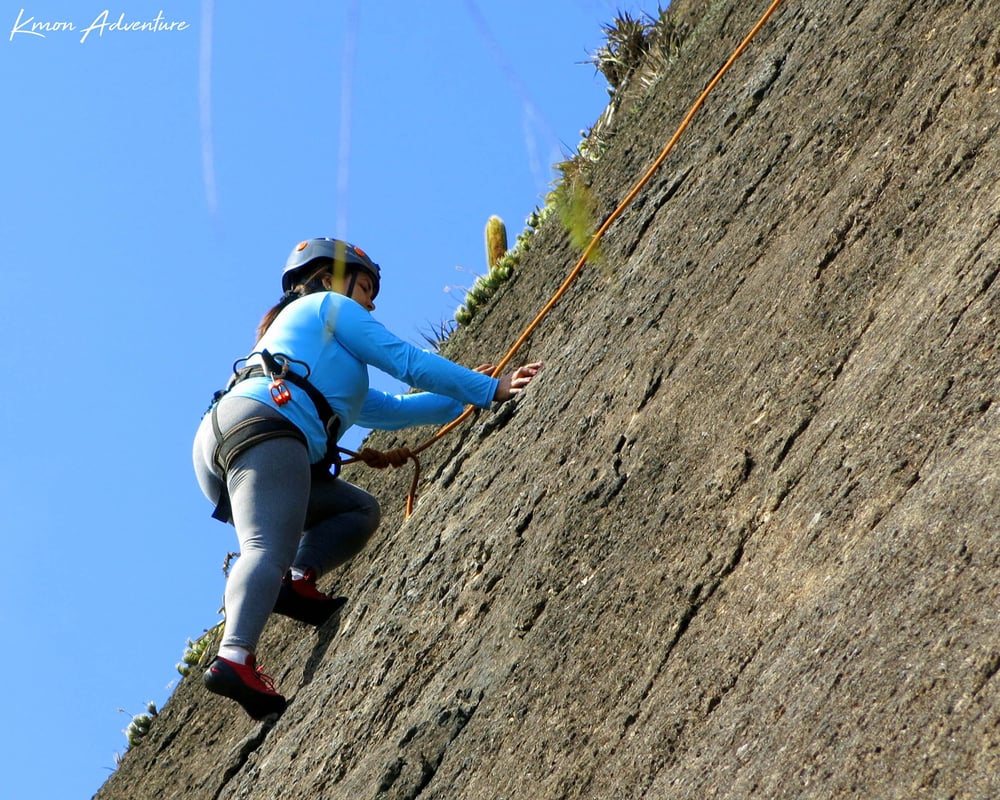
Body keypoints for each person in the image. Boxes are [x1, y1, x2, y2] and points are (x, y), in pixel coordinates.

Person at [192, 237, 541, 719]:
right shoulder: (328, 307)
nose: (372, 300)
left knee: (359, 510)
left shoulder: (316, 357)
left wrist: (463, 395)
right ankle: (234, 656)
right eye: (365, 286)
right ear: (328, 278)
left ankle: (295, 581)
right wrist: (490, 388)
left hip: (232, 436)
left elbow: (391, 411)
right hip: (265, 428)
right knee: (263, 548)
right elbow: (406, 361)